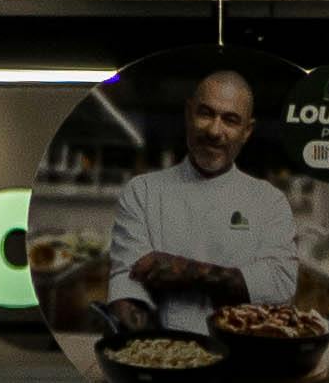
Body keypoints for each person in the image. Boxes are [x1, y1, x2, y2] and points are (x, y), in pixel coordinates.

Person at [99, 67, 307, 322]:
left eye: (230, 120)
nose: (214, 131)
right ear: (188, 113)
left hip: (243, 353)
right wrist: (131, 319)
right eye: (206, 113)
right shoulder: (142, 191)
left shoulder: (270, 201)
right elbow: (127, 277)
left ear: (247, 131)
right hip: (162, 349)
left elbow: (280, 284)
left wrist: (185, 271)